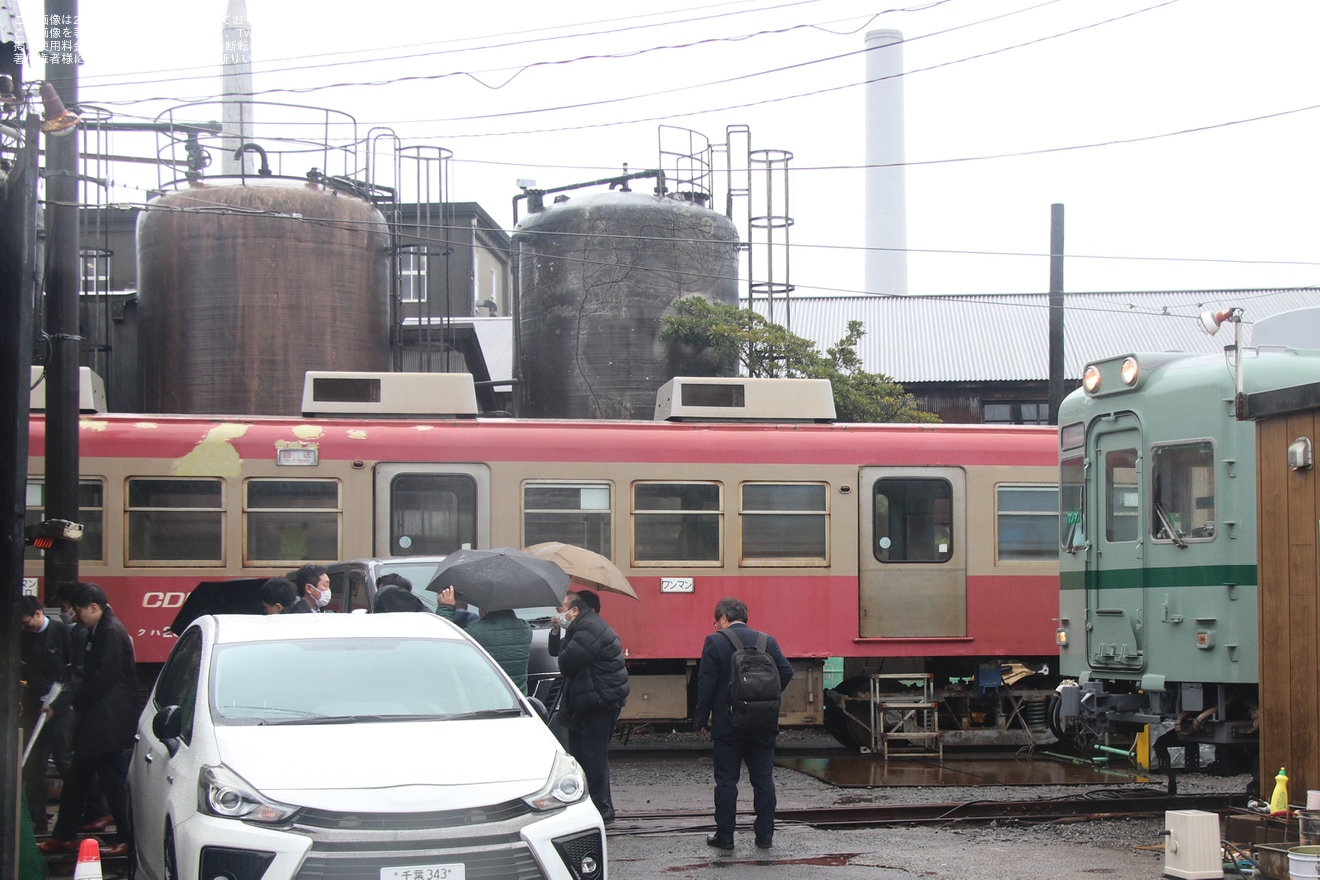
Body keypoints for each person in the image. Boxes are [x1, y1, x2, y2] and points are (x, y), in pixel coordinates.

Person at [38, 582, 137, 860]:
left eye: (78, 611)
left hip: (107, 723)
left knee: (113, 784)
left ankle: (126, 837)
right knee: (76, 780)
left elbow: (102, 678)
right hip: (97, 722)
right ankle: (64, 835)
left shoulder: (110, 632)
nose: (75, 616)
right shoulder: (99, 629)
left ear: (94, 608)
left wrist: (72, 702)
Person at [693, 597, 793, 850]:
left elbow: (706, 685)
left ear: (724, 618)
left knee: (727, 781)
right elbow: (786, 671)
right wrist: (765, 698)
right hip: (763, 723)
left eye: (717, 621)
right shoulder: (766, 641)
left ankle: (725, 837)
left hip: (728, 725)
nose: (716, 626)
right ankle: (765, 837)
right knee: (763, 780)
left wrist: (701, 720)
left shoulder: (714, 641)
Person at [548, 588, 629, 824]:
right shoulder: (581, 626)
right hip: (588, 700)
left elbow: (566, 663)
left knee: (593, 757)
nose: (558, 613)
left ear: (574, 610)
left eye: (560, 609)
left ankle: (602, 809)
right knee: (582, 755)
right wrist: (555, 630)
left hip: (599, 701)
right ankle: (589, 805)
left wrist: (564, 643)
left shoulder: (589, 628)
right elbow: (557, 651)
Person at [19, 594, 75, 832]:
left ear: (39, 614)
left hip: (60, 707)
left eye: (26, 622)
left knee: (65, 760)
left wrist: (62, 702)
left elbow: (74, 671)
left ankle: (76, 813)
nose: (24, 627)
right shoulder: (24, 636)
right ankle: (38, 816)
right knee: (34, 764)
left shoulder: (62, 633)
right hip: (36, 705)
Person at [436, 586, 532, 694]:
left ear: (484, 608)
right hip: (519, 700)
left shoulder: (474, 632)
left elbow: (443, 646)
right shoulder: (525, 628)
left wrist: (445, 608)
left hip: (488, 700)